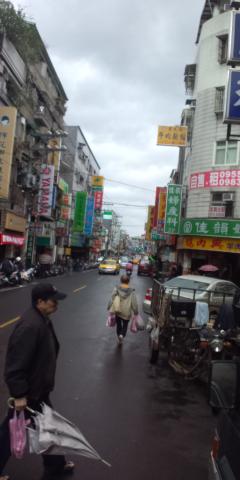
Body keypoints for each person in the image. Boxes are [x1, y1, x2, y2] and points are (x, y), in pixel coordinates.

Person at [0, 283, 74, 480]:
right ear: (40, 302)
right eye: (53, 300)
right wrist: (19, 394)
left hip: (37, 390)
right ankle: (55, 466)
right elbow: (15, 364)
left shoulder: (42, 319)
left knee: (46, 427)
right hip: (29, 393)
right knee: (10, 432)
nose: (56, 304)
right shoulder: (30, 326)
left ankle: (56, 465)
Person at [108, 274, 139, 344]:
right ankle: (122, 335)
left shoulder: (116, 288)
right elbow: (134, 303)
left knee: (119, 325)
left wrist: (109, 307)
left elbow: (112, 297)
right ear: (128, 282)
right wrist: (136, 311)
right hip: (127, 312)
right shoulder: (131, 291)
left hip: (118, 310)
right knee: (125, 325)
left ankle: (119, 336)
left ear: (121, 281)